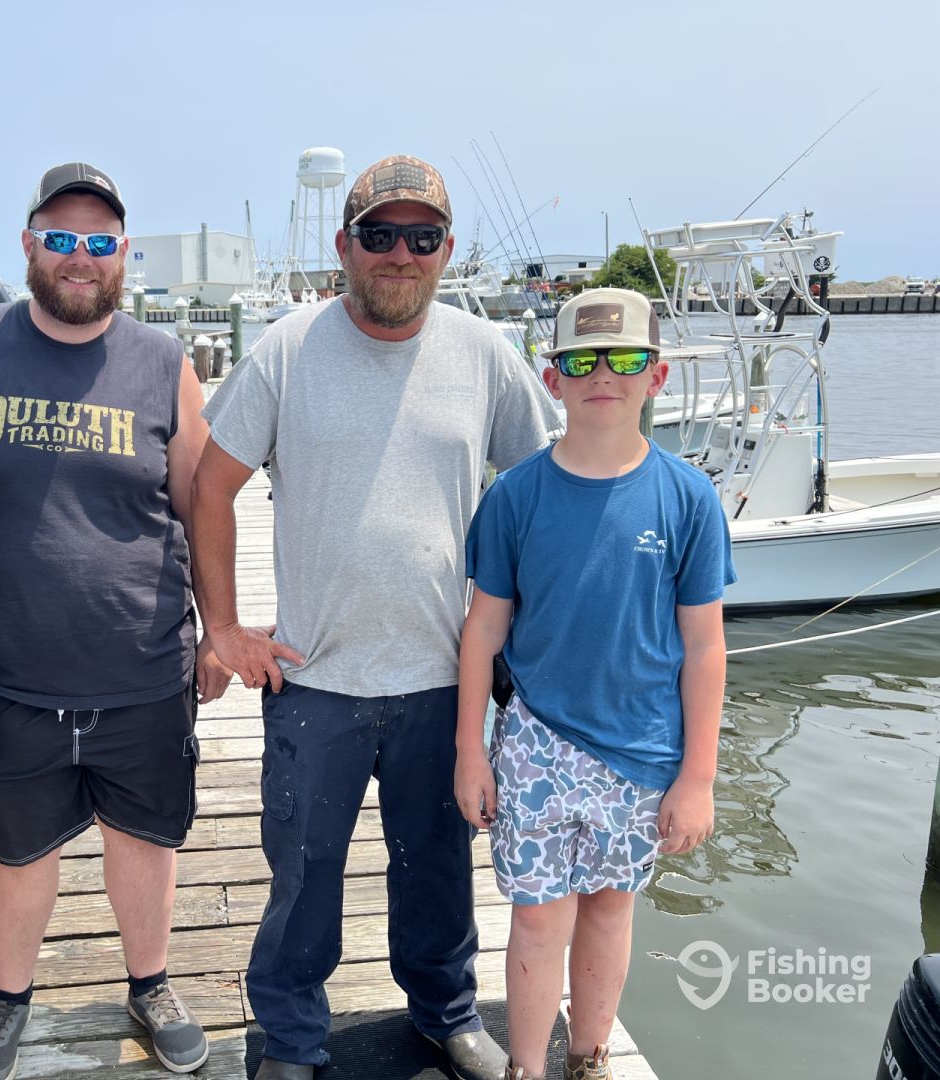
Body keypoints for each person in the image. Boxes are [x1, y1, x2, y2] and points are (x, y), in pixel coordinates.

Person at [191, 154, 560, 1080]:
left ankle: (446, 1012)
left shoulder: (486, 353)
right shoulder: (287, 348)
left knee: (437, 867)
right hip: (313, 677)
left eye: (422, 237)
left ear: (447, 250)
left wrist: (527, 630)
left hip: (442, 677)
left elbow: (542, 492)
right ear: (344, 244)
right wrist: (224, 629)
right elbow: (209, 485)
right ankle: (290, 1037)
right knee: (302, 878)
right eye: (381, 234)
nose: (401, 254)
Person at [0, 162, 224, 1080]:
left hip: (144, 660)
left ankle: (150, 983)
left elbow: (200, 505)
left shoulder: (164, 362)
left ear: (122, 253)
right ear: (28, 245)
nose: (79, 257)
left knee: (146, 840)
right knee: (16, 850)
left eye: (99, 242)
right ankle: (10, 997)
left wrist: (220, 628)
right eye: (60, 239)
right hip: (12, 666)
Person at [454, 287, 734, 1079]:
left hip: (643, 754)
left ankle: (589, 1056)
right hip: (535, 744)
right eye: (580, 362)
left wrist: (699, 777)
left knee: (611, 912)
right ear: (552, 379)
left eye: (626, 359)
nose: (602, 375)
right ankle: (526, 1067)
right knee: (537, 921)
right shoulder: (514, 496)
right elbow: (483, 629)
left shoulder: (689, 498)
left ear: (657, 376)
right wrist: (470, 751)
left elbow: (705, 647)